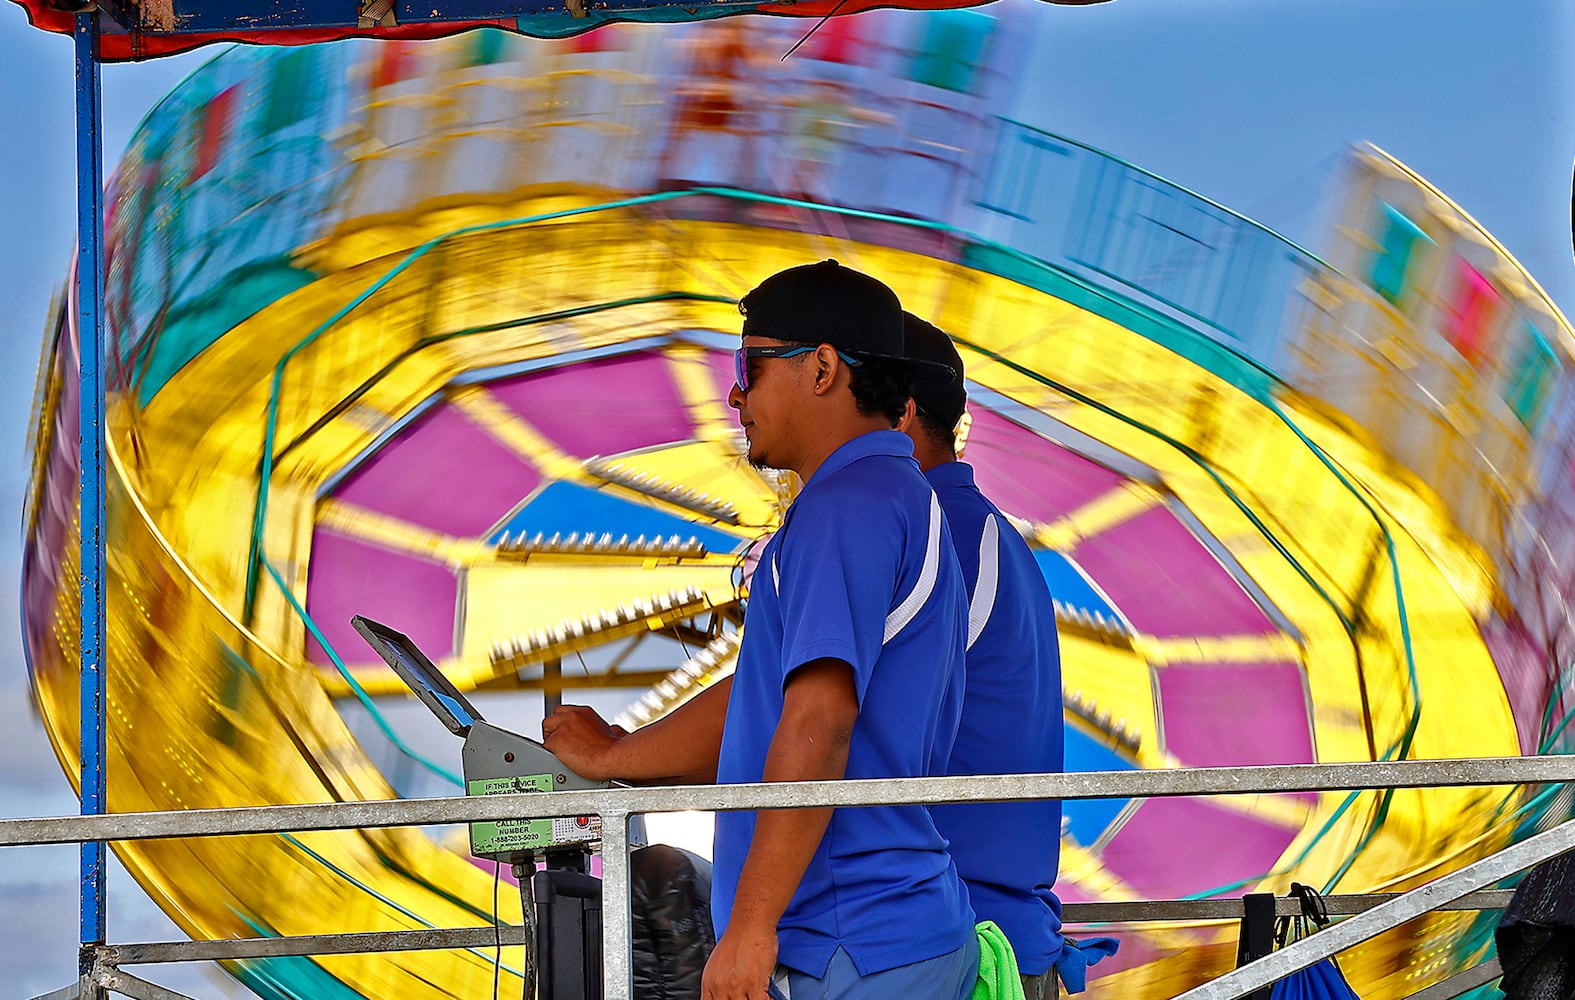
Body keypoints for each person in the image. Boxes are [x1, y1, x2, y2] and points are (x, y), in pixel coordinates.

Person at [543, 260, 979, 1000]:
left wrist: (749, 926)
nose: (735, 393)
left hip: (846, 942)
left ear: (820, 369)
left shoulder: (849, 506)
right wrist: (616, 755)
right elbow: (768, 698)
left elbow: (818, 720)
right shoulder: (887, 495)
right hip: (879, 931)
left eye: (750, 364)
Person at [896, 313, 1068, 1000]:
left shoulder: (934, 535)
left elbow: (821, 717)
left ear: (899, 413)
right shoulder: (985, 532)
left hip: (949, 947)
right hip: (996, 936)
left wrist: (621, 755)